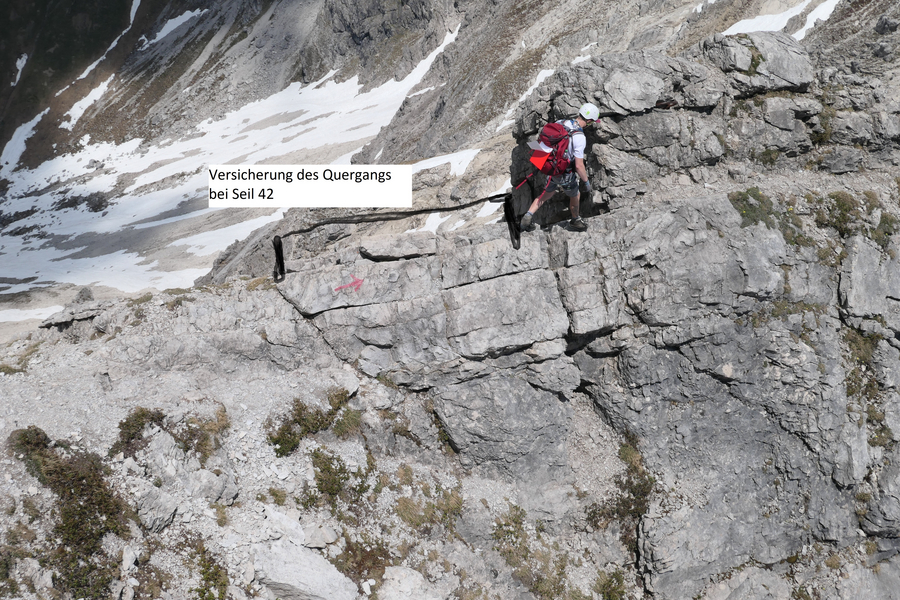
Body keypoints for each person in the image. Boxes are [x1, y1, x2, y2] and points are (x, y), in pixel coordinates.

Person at [520, 102, 599, 232]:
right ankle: (575, 221)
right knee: (575, 194)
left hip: (550, 166)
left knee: (547, 192)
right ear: (589, 120)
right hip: (563, 172)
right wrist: (586, 181)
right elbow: (579, 166)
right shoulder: (579, 137)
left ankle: (528, 216)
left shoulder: (562, 122)